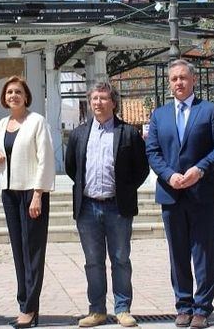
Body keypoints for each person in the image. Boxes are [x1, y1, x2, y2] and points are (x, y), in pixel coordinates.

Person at [146, 60, 214, 329]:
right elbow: (153, 152)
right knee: (178, 254)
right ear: (169, 83)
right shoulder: (159, 115)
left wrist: (200, 169)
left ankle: (202, 308)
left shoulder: (209, 110)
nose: (178, 83)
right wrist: (169, 174)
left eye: (183, 78)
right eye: (173, 79)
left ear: (193, 80)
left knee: (204, 253)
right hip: (171, 194)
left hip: (202, 194)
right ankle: (183, 306)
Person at [65, 82, 149, 328]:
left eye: (103, 98)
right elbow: (72, 168)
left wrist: (124, 188)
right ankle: (97, 310)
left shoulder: (128, 133)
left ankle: (122, 308)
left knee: (121, 258)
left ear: (113, 102)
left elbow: (141, 168)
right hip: (88, 207)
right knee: (93, 261)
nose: (98, 103)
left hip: (118, 207)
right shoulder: (79, 134)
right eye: (94, 99)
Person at [0, 76, 55, 328]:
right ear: (4, 98)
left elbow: (45, 159)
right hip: (10, 192)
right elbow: (3, 155)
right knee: (18, 251)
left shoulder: (37, 121)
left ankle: (30, 307)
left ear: (26, 96)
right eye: (9, 93)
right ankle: (24, 303)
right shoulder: (2, 123)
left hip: (32, 192)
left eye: (18, 92)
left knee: (33, 251)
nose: (13, 96)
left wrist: (38, 193)